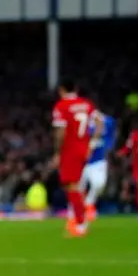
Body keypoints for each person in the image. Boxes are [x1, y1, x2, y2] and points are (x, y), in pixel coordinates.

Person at [51, 82, 96, 237]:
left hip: (69, 150)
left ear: (61, 90)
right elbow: (100, 122)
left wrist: (57, 152)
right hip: (83, 149)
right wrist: (91, 144)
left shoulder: (61, 106)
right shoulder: (86, 104)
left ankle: (80, 224)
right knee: (75, 185)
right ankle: (79, 219)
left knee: (72, 186)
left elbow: (61, 131)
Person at [80, 110, 117, 221]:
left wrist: (108, 146)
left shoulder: (107, 123)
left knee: (99, 184)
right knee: (78, 189)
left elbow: (111, 135)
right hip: (81, 162)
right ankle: (77, 212)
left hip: (98, 161)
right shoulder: (83, 125)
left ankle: (89, 203)